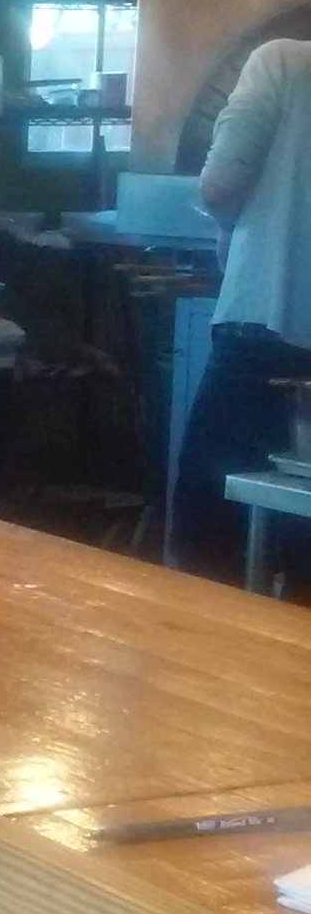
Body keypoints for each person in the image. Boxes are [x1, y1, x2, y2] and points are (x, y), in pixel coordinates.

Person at [177, 38, 311, 588]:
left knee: (210, 537)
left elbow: (221, 183)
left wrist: (226, 227)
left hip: (265, 329)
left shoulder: (281, 63)